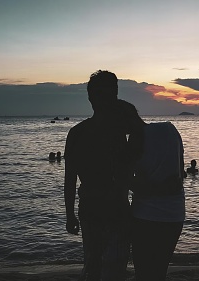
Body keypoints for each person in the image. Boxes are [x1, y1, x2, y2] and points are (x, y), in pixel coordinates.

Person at [64, 71, 130, 281]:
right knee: (101, 265)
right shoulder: (117, 131)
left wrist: (70, 214)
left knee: (103, 266)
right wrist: (69, 214)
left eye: (108, 94)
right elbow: (70, 178)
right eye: (101, 94)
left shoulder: (120, 131)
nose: (104, 100)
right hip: (98, 208)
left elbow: (70, 179)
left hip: (109, 208)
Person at [115, 99, 185, 281]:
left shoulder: (131, 145)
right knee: (159, 270)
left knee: (143, 272)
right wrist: (164, 188)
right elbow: (179, 176)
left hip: (144, 214)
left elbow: (126, 182)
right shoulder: (169, 129)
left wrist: (149, 188)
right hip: (175, 213)